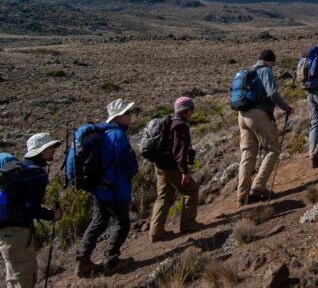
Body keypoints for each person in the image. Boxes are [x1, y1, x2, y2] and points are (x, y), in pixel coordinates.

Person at [76, 99, 139, 278]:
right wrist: (131, 174)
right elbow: (128, 163)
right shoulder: (117, 135)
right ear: (118, 117)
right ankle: (111, 261)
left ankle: (82, 261)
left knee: (99, 221)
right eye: (127, 113)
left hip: (99, 187)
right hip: (115, 187)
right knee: (122, 223)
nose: (130, 116)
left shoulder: (101, 133)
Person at [0, 134, 62, 288]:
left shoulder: (22, 170)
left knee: (14, 278)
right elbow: (30, 208)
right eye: (49, 147)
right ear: (40, 151)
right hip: (18, 234)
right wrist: (51, 215)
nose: (53, 150)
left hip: (8, 234)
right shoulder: (36, 174)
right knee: (23, 279)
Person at [237, 50, 293, 205]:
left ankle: (242, 195)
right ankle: (258, 187)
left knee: (248, 154)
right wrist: (286, 108)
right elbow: (272, 93)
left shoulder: (249, 71)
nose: (273, 66)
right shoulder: (265, 71)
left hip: (242, 115)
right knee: (273, 149)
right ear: (269, 61)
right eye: (272, 63)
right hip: (258, 115)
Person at [149, 97, 202, 242]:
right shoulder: (180, 126)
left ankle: (156, 232)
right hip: (172, 167)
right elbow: (180, 151)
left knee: (164, 197)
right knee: (191, 190)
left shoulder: (170, 122)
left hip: (160, 166)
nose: (193, 113)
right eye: (192, 110)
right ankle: (188, 223)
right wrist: (184, 172)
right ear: (186, 111)